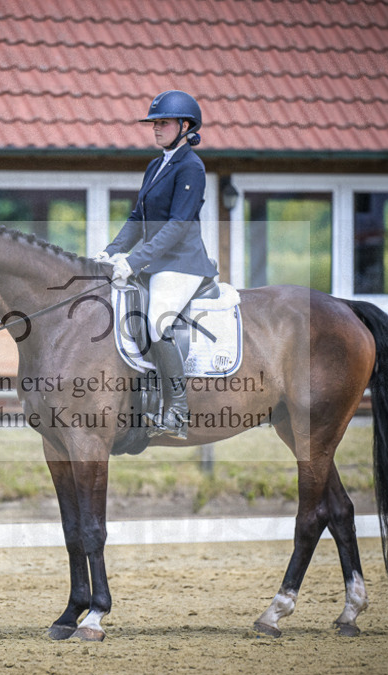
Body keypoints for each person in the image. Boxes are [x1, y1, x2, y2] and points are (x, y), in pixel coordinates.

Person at [96, 90, 218, 440]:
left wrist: (133, 261)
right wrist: (111, 252)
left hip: (182, 265)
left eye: (163, 123)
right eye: (154, 123)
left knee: (156, 321)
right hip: (155, 264)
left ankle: (177, 410)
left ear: (184, 126)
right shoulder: (156, 165)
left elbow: (178, 226)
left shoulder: (192, 166)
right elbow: (137, 218)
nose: (156, 128)